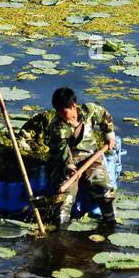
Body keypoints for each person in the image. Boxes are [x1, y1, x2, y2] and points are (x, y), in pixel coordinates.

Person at [47, 87, 117, 228]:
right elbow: (60, 151)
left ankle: (110, 223)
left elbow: (105, 116)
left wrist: (109, 136)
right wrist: (69, 167)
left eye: (63, 111)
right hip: (67, 161)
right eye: (58, 111)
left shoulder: (89, 111)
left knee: (104, 189)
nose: (60, 114)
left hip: (91, 157)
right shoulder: (56, 126)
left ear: (73, 106)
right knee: (64, 196)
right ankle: (61, 231)